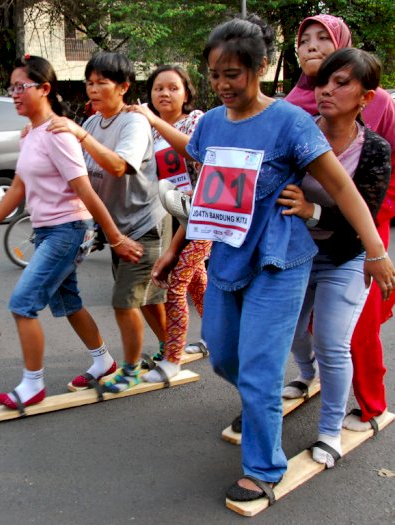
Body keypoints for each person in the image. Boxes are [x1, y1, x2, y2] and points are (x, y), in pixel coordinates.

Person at [148, 16, 394, 504]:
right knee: (222, 353)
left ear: (260, 67)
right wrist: (176, 250)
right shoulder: (211, 123)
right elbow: (204, 193)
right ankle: (262, 404)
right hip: (225, 258)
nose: (222, 84)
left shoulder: (291, 121)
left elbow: (343, 187)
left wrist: (377, 250)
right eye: (215, 74)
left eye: (233, 74)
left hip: (281, 260)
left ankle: (264, 467)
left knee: (261, 369)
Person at [0, 55, 142, 409]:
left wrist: (117, 239)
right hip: (46, 231)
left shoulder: (58, 133)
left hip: (68, 230)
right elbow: (17, 186)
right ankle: (103, 361)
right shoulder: (31, 133)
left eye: (21, 87)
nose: (14, 94)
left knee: (22, 304)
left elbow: (85, 191)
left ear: (45, 89)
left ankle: (32, 385)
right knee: (68, 302)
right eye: (11, 88)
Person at [279, 48, 391, 466]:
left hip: (345, 255)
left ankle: (329, 433)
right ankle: (308, 376)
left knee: (332, 341)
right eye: (323, 81)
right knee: (291, 333)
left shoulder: (374, 148)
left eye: (342, 82)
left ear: (367, 96)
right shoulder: (296, 130)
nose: (327, 90)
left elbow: (362, 217)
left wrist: (312, 211)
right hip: (294, 254)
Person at [47, 52, 171, 393]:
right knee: (146, 298)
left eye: (103, 82)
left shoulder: (133, 123)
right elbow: (81, 174)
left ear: (124, 87)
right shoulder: (91, 124)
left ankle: (130, 369)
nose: (94, 89)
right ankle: (169, 348)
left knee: (125, 301)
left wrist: (81, 136)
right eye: (90, 82)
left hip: (145, 223)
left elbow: (119, 167)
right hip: (117, 228)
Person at [126, 65, 210, 383]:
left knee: (175, 286)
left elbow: (194, 151)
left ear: (186, 93)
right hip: (175, 218)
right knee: (197, 282)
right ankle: (218, 337)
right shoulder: (149, 130)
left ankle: (172, 358)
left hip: (203, 215)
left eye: (173, 88)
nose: (164, 93)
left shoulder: (195, 120)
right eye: (158, 88)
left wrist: (152, 119)